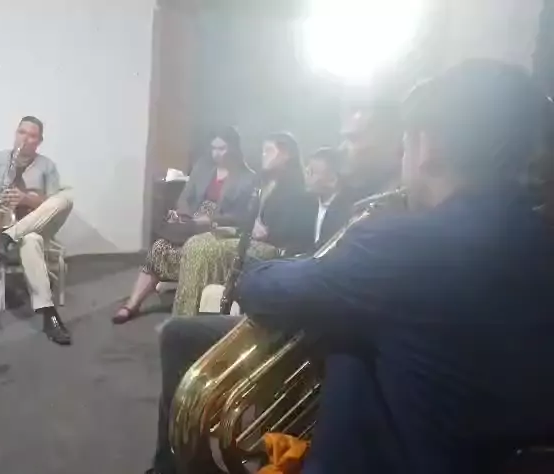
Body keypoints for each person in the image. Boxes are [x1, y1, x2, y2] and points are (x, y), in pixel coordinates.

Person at [237, 59, 554, 473]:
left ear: (429, 147)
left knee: (346, 332)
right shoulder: (539, 236)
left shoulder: (400, 244)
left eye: (405, 145)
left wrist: (256, 270)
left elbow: (263, 291)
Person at [144, 103, 403, 474]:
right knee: (179, 333)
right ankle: (172, 464)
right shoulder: (362, 198)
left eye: (354, 139)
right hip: (323, 304)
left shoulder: (388, 207)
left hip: (334, 327)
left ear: (398, 142)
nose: (343, 148)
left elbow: (328, 275)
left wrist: (253, 279)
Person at [113, 126, 256, 324]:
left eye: (222, 148)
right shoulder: (203, 167)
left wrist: (212, 220)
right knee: (159, 246)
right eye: (213, 148)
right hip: (191, 222)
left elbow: (242, 216)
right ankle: (132, 305)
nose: (216, 153)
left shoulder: (247, 178)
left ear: (234, 148)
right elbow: (185, 198)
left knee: (190, 249)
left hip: (218, 228)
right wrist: (182, 214)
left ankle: (185, 313)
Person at [170, 132, 314, 317]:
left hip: (273, 246)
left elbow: (295, 231)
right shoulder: (267, 183)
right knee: (195, 243)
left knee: (201, 249)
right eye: (263, 151)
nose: (264, 155)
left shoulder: (296, 189)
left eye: (269, 151)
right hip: (251, 238)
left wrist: (264, 232)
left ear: (286, 154)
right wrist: (249, 226)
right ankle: (188, 314)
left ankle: (195, 316)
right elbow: (249, 217)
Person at [0, 116, 74, 345]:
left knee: (66, 198)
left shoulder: (47, 166)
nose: (25, 139)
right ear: (16, 133)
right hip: (2, 224)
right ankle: (49, 315)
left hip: (38, 223)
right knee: (30, 241)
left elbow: (51, 203)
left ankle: (6, 239)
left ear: (39, 141)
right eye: (22, 132)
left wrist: (26, 199)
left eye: (32, 135)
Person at [302, 147, 349, 247]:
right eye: (307, 171)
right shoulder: (306, 205)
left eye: (312, 172)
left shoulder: (347, 211)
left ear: (332, 180)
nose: (306, 177)